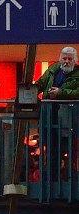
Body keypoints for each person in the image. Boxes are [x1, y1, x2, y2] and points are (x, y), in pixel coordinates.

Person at [32, 47, 79, 182]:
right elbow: (40, 84)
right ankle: (51, 179)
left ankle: (67, 180)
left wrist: (60, 92)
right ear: (60, 59)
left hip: (68, 115)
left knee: (66, 148)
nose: (66, 61)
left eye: (70, 59)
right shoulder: (53, 69)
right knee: (50, 147)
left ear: (75, 61)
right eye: (64, 58)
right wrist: (28, 93)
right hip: (49, 112)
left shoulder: (78, 73)